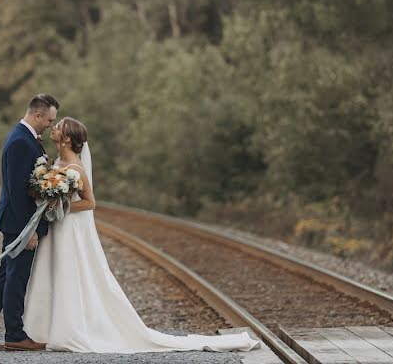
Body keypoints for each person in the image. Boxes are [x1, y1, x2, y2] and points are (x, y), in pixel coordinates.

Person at [22, 116, 260, 354]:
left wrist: (59, 208)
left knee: (67, 273)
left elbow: (90, 203)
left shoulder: (75, 169)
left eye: (59, 127)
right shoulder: (55, 162)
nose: (54, 128)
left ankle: (68, 329)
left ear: (66, 139)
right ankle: (43, 327)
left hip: (69, 231)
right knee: (50, 270)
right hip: (56, 229)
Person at [0, 94, 59, 352]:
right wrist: (26, 231)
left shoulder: (25, 138)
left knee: (7, 274)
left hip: (18, 222)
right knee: (17, 278)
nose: (51, 125)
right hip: (19, 224)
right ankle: (15, 335)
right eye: (49, 120)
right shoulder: (20, 141)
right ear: (37, 115)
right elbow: (18, 191)